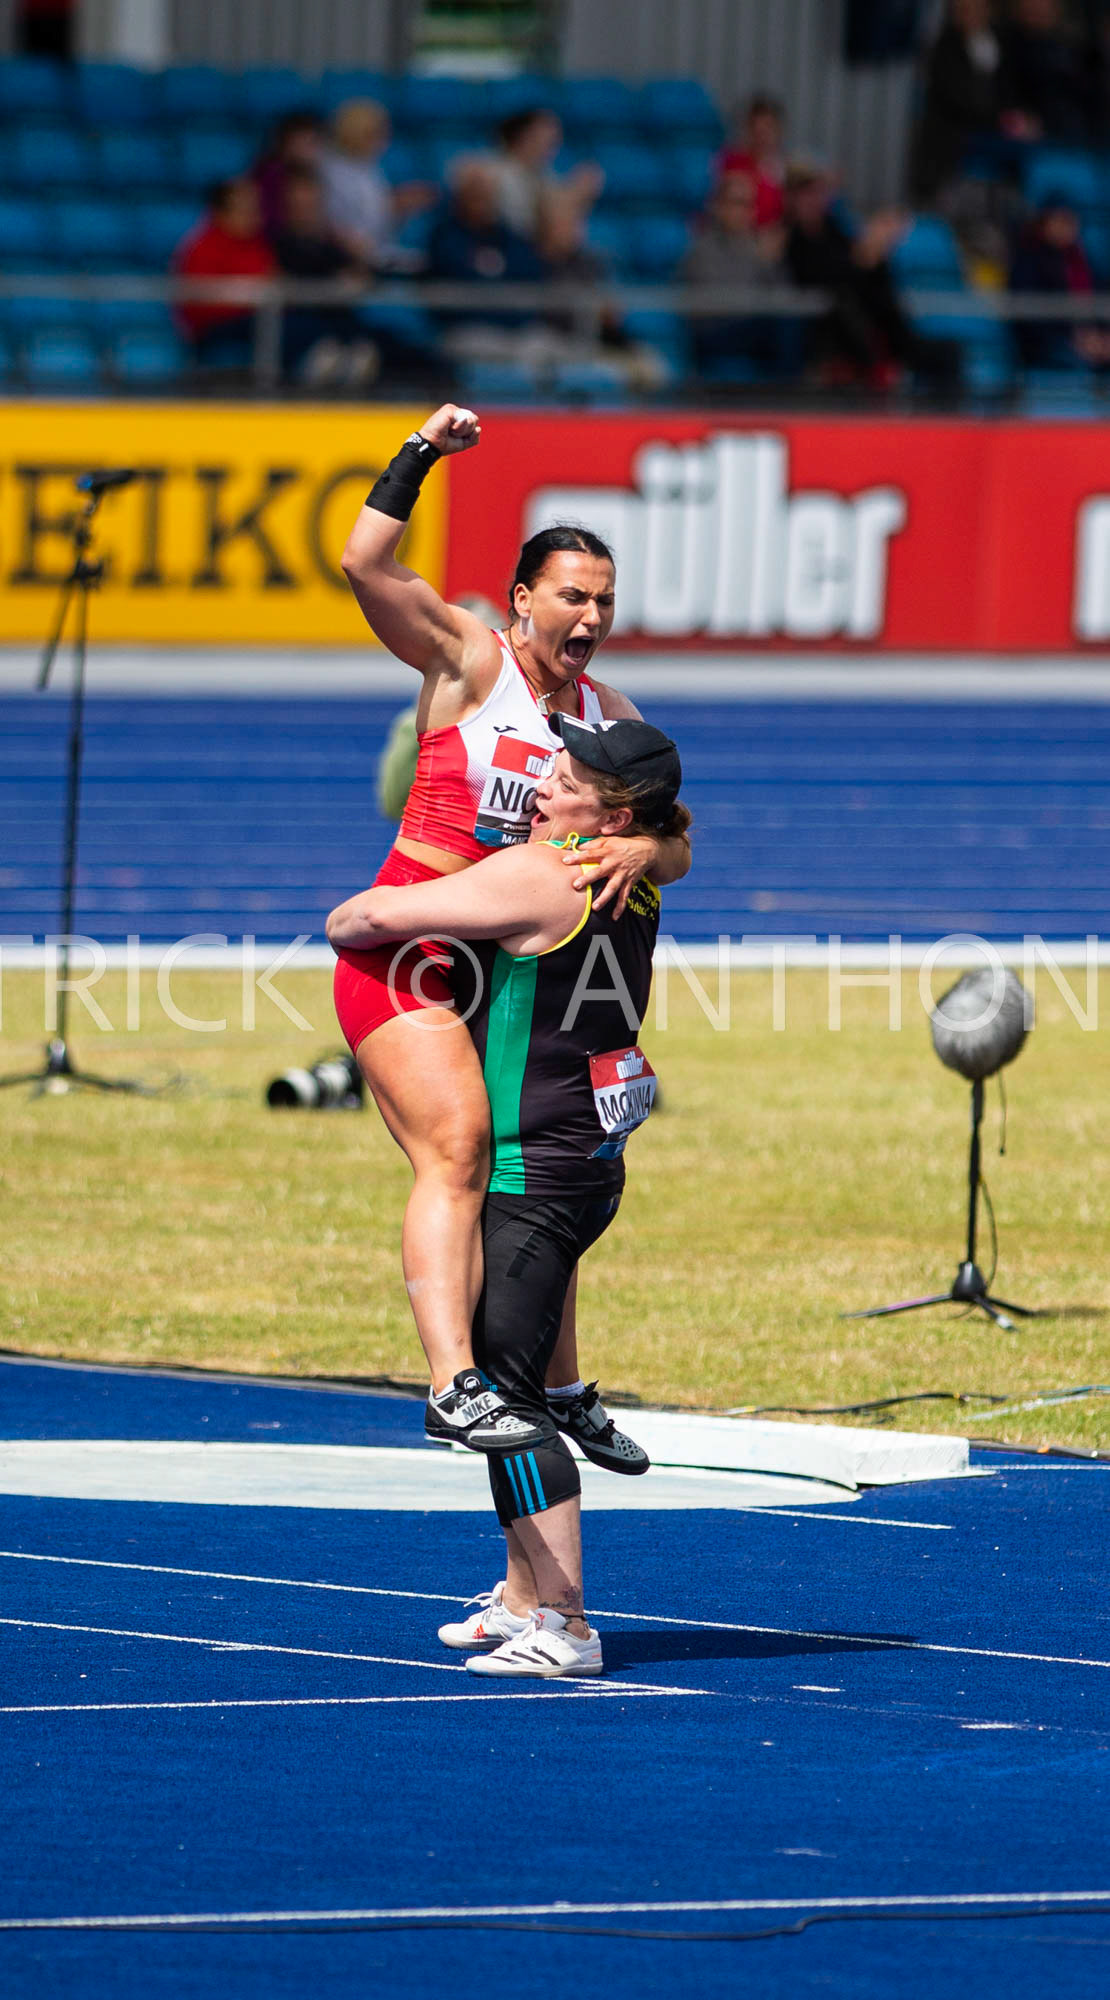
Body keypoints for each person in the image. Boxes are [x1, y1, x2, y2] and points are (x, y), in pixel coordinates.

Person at [333, 402, 691, 1461]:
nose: (588, 617)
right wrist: (420, 455)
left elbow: (680, 839)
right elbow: (363, 563)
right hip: (402, 954)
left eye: (606, 601)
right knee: (459, 1148)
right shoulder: (464, 659)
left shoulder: (604, 708)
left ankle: (563, 1384)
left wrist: (639, 851)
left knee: (547, 1171)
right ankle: (454, 1385)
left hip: (501, 972)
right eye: (571, 596)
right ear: (523, 595)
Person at [328, 716, 687, 1678]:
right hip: (591, 1160)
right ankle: (522, 1596)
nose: (539, 780)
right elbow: (674, 847)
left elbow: (360, 923)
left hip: (534, 1169)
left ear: (605, 810)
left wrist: (391, 902)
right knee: (518, 1381)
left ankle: (565, 1625)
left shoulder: (544, 876)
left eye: (559, 774)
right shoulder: (637, 869)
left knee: (509, 1400)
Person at [785, 161, 962, 396]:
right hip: (830, 330)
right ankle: (885, 366)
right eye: (807, 193)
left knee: (948, 351)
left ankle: (945, 419)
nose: (815, 200)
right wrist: (865, 256)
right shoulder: (793, 238)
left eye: (820, 192)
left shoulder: (833, 228)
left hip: (872, 318)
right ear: (793, 197)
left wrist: (874, 253)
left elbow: (859, 263)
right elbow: (820, 274)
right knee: (848, 307)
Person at [682, 169, 800, 380]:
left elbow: (785, 299)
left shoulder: (760, 248)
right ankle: (788, 395)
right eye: (735, 202)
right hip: (714, 333)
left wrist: (769, 264)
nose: (742, 211)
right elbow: (717, 303)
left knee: (791, 325)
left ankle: (787, 393)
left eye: (748, 204)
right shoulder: (701, 249)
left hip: (752, 327)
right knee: (780, 328)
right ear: (718, 206)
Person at [269, 163, 378, 389]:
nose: (305, 211)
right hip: (298, 323)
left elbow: (356, 274)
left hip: (338, 319)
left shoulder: (332, 243)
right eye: (299, 205)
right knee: (320, 342)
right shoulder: (275, 244)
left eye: (311, 204)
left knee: (370, 340)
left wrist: (358, 265)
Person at [320, 99, 435, 272]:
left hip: (374, 253)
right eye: (374, 134)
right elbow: (331, 222)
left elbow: (377, 223)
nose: (383, 142)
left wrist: (398, 207)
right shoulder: (330, 170)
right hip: (340, 258)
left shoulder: (371, 169)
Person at [173, 178, 276, 368]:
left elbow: (273, 282)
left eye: (254, 209)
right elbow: (198, 305)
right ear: (221, 212)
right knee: (289, 326)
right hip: (215, 328)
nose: (254, 216)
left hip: (254, 321)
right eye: (244, 209)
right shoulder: (201, 248)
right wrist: (247, 296)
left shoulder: (259, 246)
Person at [1011, 196, 1110, 371]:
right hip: (1049, 345)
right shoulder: (1029, 260)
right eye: (1060, 220)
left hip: (1086, 338)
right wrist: (1075, 340)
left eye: (1071, 220)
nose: (1067, 226)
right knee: (1075, 364)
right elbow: (1030, 318)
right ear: (1043, 223)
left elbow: (1100, 297)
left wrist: (1102, 337)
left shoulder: (1080, 259)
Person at [718, 93, 787, 228]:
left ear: (778, 131)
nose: (761, 137)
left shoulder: (784, 170)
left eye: (767, 129)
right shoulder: (731, 163)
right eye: (756, 130)